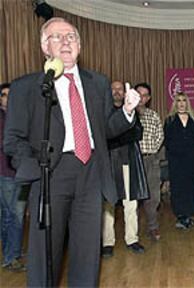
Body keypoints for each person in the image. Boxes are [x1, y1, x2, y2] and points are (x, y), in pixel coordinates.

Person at [3, 17, 140, 286]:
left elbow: (104, 130)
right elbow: (12, 140)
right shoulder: (26, 87)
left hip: (90, 173)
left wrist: (126, 111)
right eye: (58, 36)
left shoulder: (98, 83)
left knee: (88, 255)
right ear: (45, 46)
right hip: (49, 174)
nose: (66, 41)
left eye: (71, 37)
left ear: (80, 45)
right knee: (45, 256)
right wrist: (35, 170)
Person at [101, 81, 148, 258]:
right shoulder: (104, 113)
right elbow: (104, 136)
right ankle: (107, 242)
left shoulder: (132, 111)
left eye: (120, 89)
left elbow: (137, 133)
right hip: (109, 164)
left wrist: (116, 136)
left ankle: (132, 239)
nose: (117, 92)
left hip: (128, 162)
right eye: (113, 89)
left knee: (131, 203)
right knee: (108, 204)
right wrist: (119, 135)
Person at [0, 83, 26, 272]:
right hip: (5, 173)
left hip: (22, 172)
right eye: (4, 95)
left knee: (10, 216)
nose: (8, 98)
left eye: (11, 95)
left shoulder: (21, 117)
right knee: (14, 216)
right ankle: (11, 257)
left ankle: (11, 252)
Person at [164, 92, 194, 229]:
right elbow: (167, 142)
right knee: (178, 188)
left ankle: (189, 215)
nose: (182, 103)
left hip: (192, 161)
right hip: (176, 161)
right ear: (175, 103)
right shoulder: (169, 120)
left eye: (184, 100)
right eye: (179, 100)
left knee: (190, 188)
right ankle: (180, 216)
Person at [135, 82, 164, 241]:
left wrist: (151, 151)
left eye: (145, 95)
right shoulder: (127, 114)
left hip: (151, 159)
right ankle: (132, 232)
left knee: (153, 196)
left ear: (149, 98)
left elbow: (160, 136)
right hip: (133, 160)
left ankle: (153, 227)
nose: (141, 98)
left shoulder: (153, 115)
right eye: (139, 94)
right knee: (133, 199)